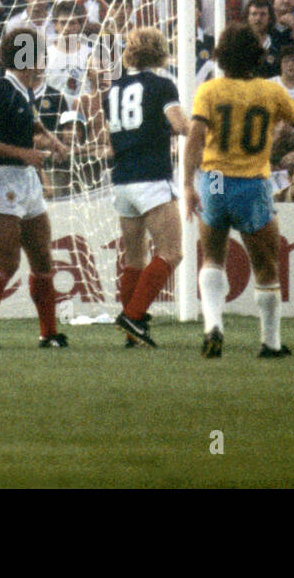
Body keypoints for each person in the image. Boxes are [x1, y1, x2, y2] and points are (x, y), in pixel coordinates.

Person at [184, 22, 294, 358]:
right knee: (265, 265)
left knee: (212, 257)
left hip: (215, 180)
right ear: (257, 55)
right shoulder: (271, 92)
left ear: (221, 56)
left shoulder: (209, 91)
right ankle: (270, 342)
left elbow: (193, 141)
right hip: (251, 184)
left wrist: (188, 186)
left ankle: (213, 325)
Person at [0, 27, 70, 348]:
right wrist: (23, 152)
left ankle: (48, 333)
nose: (43, 59)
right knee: (8, 262)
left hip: (26, 179)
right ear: (23, 56)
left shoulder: (23, 91)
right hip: (1, 178)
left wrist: (49, 138)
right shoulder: (0, 89)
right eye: (37, 52)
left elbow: (29, 121)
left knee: (42, 259)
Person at [109, 28, 190, 348]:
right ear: (159, 52)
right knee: (172, 252)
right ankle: (133, 315)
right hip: (151, 176)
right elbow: (180, 125)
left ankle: (133, 331)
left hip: (122, 180)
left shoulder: (113, 88)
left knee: (134, 259)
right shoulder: (161, 84)